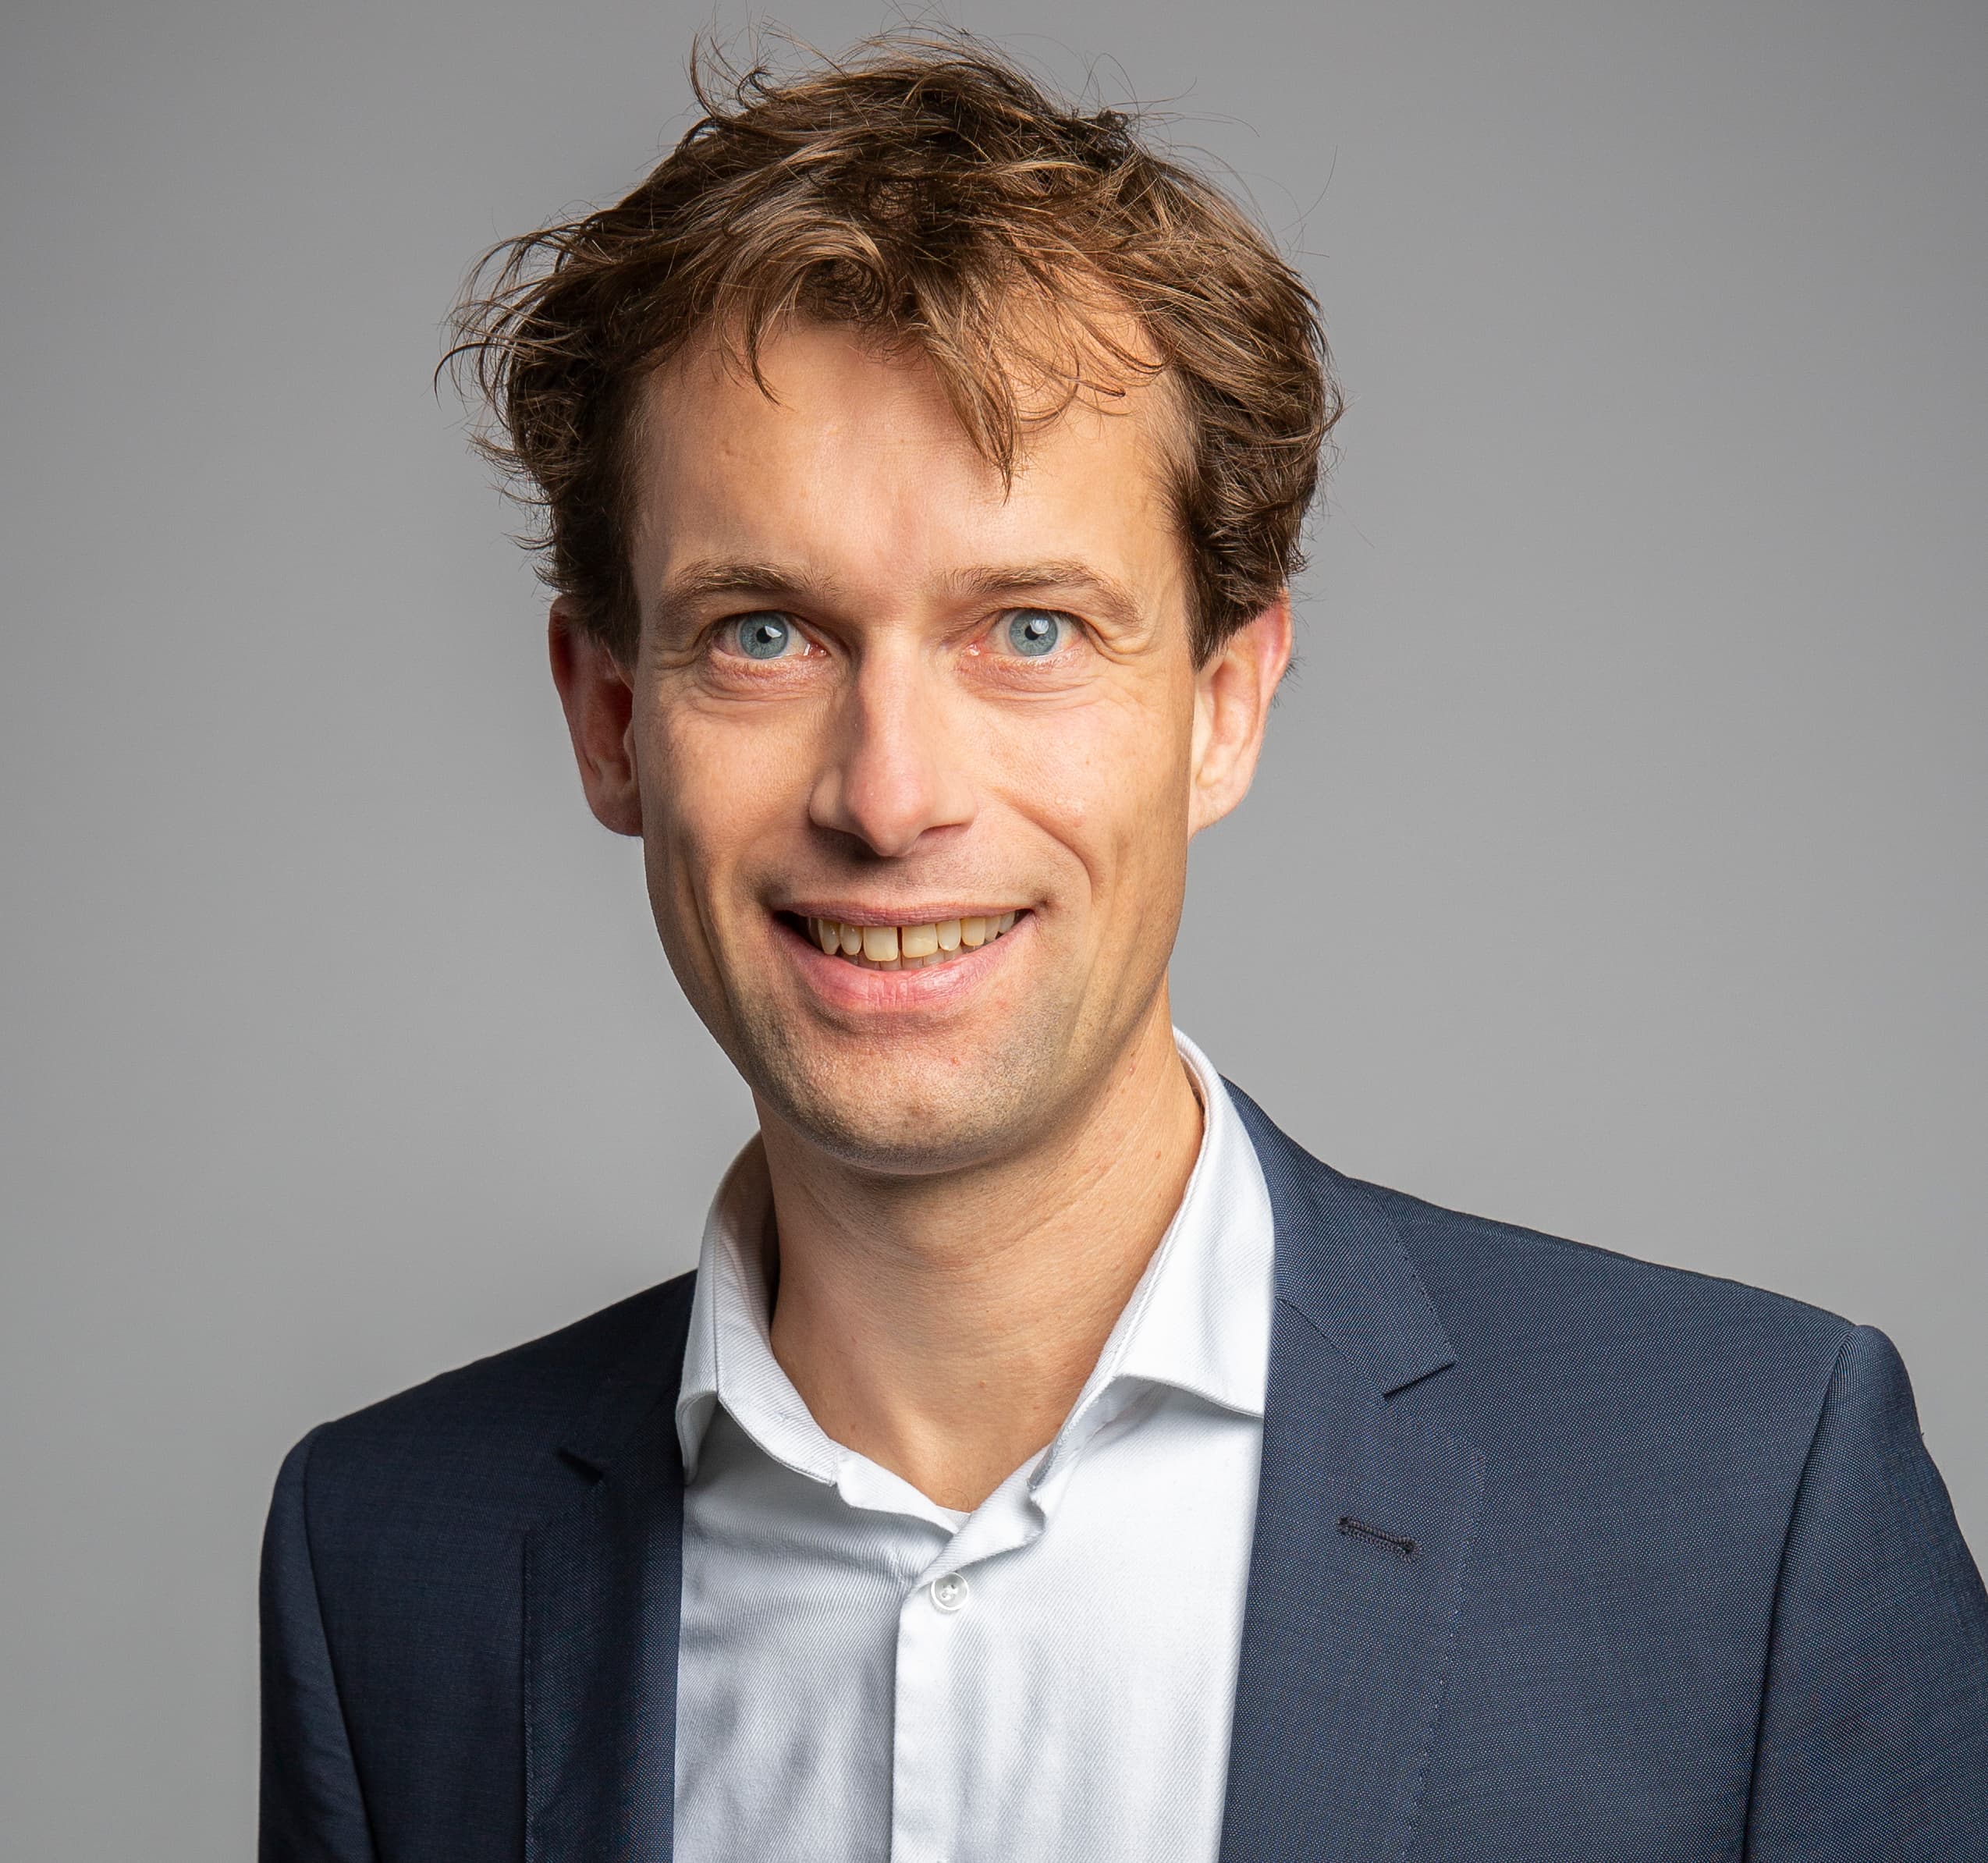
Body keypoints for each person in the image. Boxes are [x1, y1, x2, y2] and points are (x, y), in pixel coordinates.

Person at [258, 33, 1988, 1862]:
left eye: (1028, 631)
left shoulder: (1742, 1503)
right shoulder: (387, 1561)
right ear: (609, 717)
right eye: (763, 635)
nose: (890, 792)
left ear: (1221, 708)